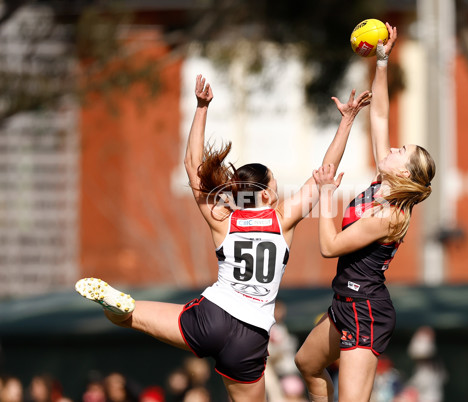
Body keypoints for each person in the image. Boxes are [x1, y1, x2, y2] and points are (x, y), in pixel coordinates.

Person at [75, 74, 371, 402]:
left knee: (128, 315)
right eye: (274, 182)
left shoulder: (223, 218)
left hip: (211, 316)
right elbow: (325, 171)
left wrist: (201, 108)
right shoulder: (283, 218)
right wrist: (347, 120)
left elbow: (192, 166)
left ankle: (122, 307)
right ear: (269, 192)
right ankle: (122, 309)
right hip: (250, 335)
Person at [294, 22, 436, 402]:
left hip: (365, 313)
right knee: (307, 363)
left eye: (400, 151)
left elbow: (330, 246)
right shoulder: (381, 182)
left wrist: (326, 195)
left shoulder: (389, 216)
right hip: (344, 304)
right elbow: (380, 117)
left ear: (404, 173)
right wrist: (383, 60)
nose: (391, 149)